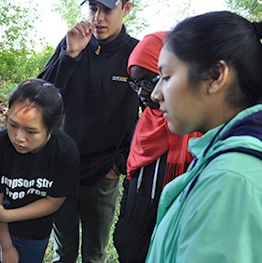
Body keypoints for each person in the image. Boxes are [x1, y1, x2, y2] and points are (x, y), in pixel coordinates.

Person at [145, 11, 262, 262]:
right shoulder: (226, 160)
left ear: (216, 76)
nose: (155, 94)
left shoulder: (231, 182)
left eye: (167, 76)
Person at [38, 0, 139, 262]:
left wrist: (119, 164)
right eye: (93, 8)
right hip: (63, 167)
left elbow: (152, 111)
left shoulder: (136, 52)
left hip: (105, 172)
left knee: (95, 254)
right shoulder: (72, 43)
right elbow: (40, 96)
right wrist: (69, 56)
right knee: (64, 252)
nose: (99, 17)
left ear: (126, 8)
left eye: (107, 9)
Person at [112, 31, 201, 263]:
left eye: (149, 81)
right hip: (134, 239)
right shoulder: (144, 124)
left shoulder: (198, 129)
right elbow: (132, 179)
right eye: (135, 84)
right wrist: (123, 231)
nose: (142, 92)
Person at [0, 79, 81, 263]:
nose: (18, 138)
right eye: (13, 124)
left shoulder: (65, 152)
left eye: (31, 132)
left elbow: (53, 201)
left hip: (35, 233)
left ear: (51, 128)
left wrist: (8, 215)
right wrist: (6, 247)